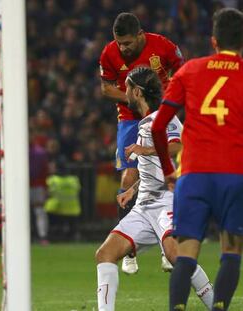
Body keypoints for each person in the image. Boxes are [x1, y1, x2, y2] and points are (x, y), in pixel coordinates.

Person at [95, 67, 213, 311]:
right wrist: (133, 189)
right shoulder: (145, 123)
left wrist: (144, 150)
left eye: (127, 87)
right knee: (105, 254)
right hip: (143, 207)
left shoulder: (165, 117)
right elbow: (154, 168)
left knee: (175, 256)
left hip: (167, 201)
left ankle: (215, 304)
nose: (124, 92)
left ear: (137, 92)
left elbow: (177, 147)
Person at [151, 8, 243, 311]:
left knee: (186, 254)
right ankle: (219, 307)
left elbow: (158, 125)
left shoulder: (190, 70)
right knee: (231, 251)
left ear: (213, 40)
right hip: (235, 177)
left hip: (194, 177)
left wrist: (168, 169)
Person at [99, 12, 184, 273]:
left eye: (127, 43)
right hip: (129, 119)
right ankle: (129, 251)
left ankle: (166, 241)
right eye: (119, 43)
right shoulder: (109, 53)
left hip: (162, 113)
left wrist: (161, 99)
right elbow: (106, 89)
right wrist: (136, 98)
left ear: (140, 35)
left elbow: (181, 71)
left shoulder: (163, 46)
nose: (122, 48)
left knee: (167, 170)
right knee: (129, 177)